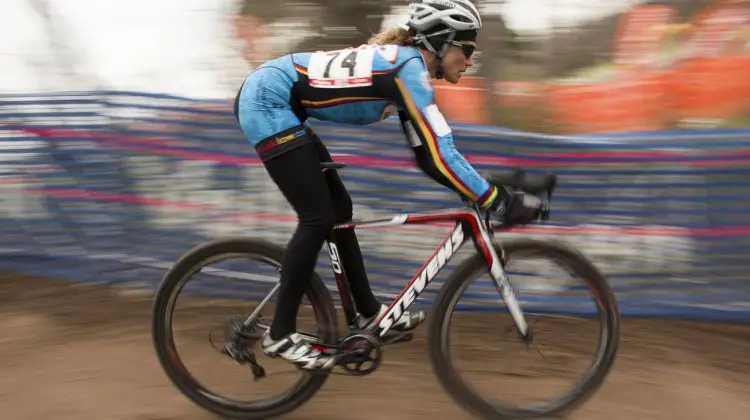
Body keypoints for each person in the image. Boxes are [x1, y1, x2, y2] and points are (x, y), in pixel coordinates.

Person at [233, 0, 542, 371]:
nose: (470, 58)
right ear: (441, 43)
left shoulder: (406, 72)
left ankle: (366, 314)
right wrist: (495, 199)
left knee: (339, 212)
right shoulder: (408, 70)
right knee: (316, 217)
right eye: (468, 48)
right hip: (267, 100)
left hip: (282, 103)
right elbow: (441, 154)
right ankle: (280, 333)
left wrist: (481, 191)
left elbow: (430, 157)